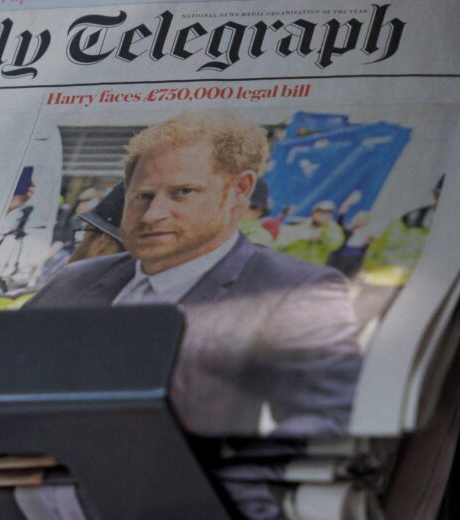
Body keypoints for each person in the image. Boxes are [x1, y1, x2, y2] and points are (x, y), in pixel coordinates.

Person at [26, 112, 361, 437]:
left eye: (183, 192)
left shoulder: (294, 291)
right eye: (143, 196)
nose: (152, 214)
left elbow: (325, 430)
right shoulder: (75, 280)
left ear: (240, 189)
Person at [275, 200, 346, 266]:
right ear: (313, 213)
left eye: (328, 213)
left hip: (309, 270)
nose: (323, 215)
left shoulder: (332, 229)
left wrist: (320, 239)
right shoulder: (299, 225)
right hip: (287, 264)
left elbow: (335, 243)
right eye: (320, 211)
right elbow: (279, 242)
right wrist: (299, 238)